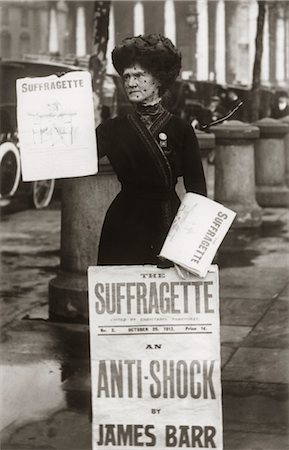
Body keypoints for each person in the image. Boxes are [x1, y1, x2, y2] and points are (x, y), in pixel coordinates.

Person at [96, 34, 207, 266]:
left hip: (168, 222)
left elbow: (197, 191)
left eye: (138, 75)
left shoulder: (181, 129)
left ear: (158, 79)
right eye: (126, 76)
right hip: (124, 223)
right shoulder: (111, 129)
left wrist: (196, 244)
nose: (130, 83)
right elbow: (74, 157)